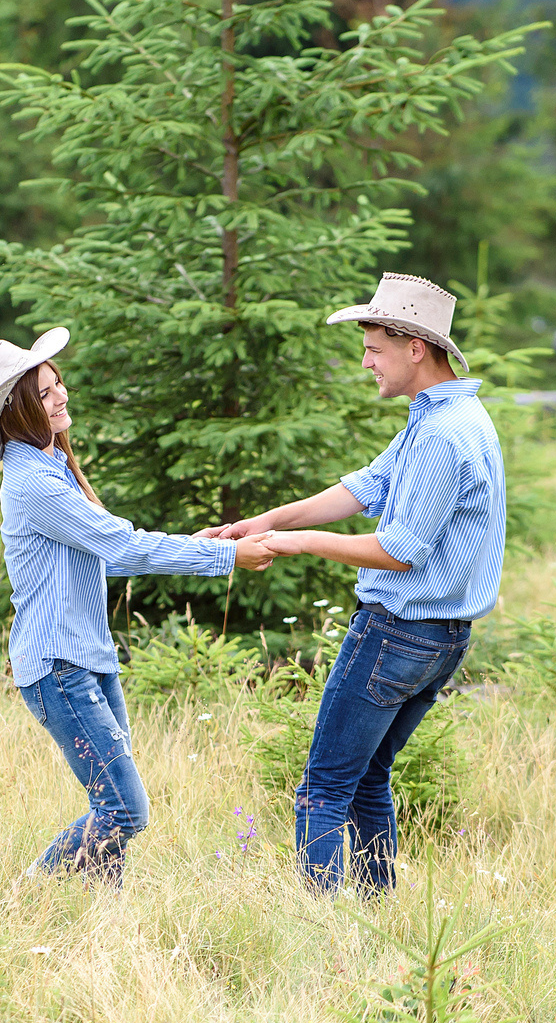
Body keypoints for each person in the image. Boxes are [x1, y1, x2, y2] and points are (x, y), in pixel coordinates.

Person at [198, 274, 505, 893]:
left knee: (323, 787)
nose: (365, 361)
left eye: (374, 349)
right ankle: (375, 911)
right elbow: (364, 488)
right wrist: (265, 520)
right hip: (438, 640)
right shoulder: (444, 418)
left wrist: (293, 543)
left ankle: (321, 924)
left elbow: (398, 551)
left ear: (415, 347)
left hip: (397, 633)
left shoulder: (446, 434)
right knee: (368, 778)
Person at [0, 329, 278, 885]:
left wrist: (203, 545)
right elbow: (123, 545)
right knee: (125, 808)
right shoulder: (34, 481)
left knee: (114, 807)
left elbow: (109, 550)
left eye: (59, 382)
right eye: (45, 391)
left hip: (88, 659)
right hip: (59, 666)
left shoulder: (51, 466)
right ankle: (28, 895)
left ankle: (97, 917)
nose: (61, 395)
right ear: (17, 410)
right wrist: (226, 557)